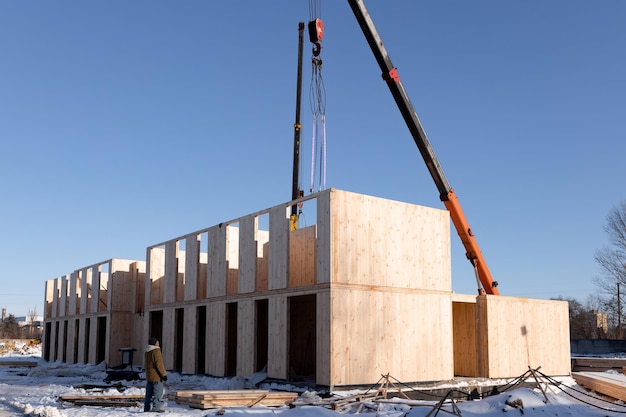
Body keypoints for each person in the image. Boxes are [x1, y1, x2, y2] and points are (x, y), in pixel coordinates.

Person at [144, 337, 167, 413]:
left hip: (149, 375)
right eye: (157, 342)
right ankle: (156, 407)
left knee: (148, 393)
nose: (158, 343)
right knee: (158, 392)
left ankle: (146, 407)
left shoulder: (147, 351)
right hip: (156, 376)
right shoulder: (156, 351)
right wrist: (163, 374)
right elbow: (159, 364)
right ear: (155, 343)